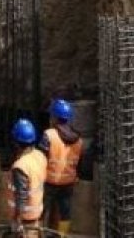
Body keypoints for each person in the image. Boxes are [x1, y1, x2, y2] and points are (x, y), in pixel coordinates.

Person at [39, 99, 84, 236]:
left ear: (54, 117)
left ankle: (38, 234)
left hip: (49, 181)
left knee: (41, 210)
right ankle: (61, 236)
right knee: (65, 212)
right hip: (68, 183)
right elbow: (79, 163)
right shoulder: (79, 140)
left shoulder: (49, 135)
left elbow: (41, 158)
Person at [6, 118, 47, 238]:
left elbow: (21, 195)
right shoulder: (40, 156)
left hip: (24, 220)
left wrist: (18, 220)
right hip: (35, 216)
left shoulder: (21, 166)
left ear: (16, 143)